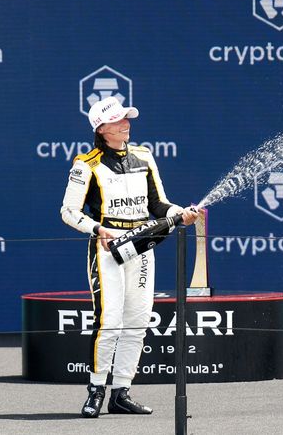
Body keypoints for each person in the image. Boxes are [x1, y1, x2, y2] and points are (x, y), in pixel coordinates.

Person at [60, 96, 198, 418]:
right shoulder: (86, 164)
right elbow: (68, 211)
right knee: (109, 321)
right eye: (119, 120)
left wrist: (181, 213)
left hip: (142, 246)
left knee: (137, 321)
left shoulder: (145, 157)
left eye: (127, 119)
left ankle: (121, 392)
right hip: (107, 248)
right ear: (102, 129)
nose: (127, 124)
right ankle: (96, 390)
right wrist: (97, 229)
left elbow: (158, 204)